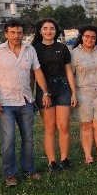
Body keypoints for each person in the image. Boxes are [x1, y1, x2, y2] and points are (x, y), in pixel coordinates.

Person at [0, 19, 49, 187]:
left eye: (19, 32)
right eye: (13, 32)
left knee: (28, 139)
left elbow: (37, 72)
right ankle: (10, 175)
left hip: (26, 101)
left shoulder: (30, 50)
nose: (16, 35)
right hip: (5, 103)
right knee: (8, 140)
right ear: (6, 34)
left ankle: (29, 170)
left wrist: (45, 92)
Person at [32, 19, 78, 172]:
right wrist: (33, 94)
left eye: (52, 28)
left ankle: (64, 159)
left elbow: (68, 71)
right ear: (40, 31)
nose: (48, 31)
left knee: (64, 126)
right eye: (45, 28)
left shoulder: (62, 48)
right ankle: (52, 162)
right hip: (44, 91)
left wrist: (73, 93)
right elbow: (33, 74)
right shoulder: (34, 50)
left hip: (63, 88)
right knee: (50, 127)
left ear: (56, 31)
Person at [71, 25, 97, 164]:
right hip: (82, 93)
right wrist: (73, 94)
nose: (90, 39)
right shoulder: (74, 54)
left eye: (93, 37)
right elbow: (70, 75)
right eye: (87, 36)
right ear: (82, 37)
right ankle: (88, 155)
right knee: (86, 124)